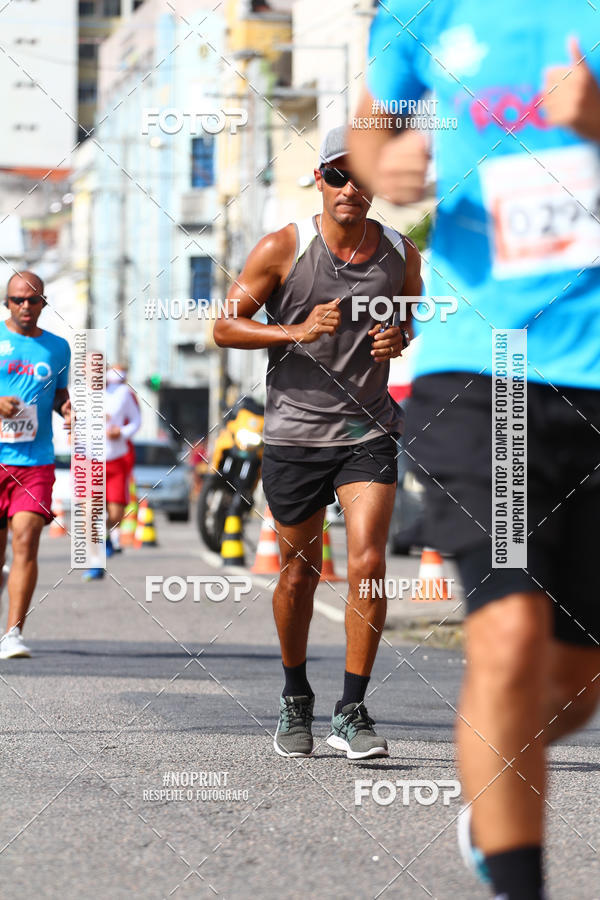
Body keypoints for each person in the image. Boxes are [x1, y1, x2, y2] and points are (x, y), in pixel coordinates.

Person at [350, 5, 600, 898]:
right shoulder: (428, 9)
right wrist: (390, 164)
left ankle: (491, 791)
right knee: (508, 636)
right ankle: (515, 876)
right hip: (477, 371)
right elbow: (370, 135)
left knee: (575, 677)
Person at [214, 126, 421, 759]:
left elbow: (407, 319)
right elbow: (225, 326)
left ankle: (352, 709)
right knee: (299, 573)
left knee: (367, 563)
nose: (349, 188)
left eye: (361, 176)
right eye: (337, 174)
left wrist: (398, 339)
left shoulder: (402, 254)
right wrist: (295, 331)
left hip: (367, 431)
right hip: (296, 433)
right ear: (320, 180)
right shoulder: (284, 246)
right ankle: (295, 696)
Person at [0, 271, 71, 658]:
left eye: (33, 300)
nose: (25, 307)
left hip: (35, 463)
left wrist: (70, 410)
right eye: (16, 300)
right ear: (7, 303)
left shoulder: (58, 348)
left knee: (26, 541)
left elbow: (60, 395)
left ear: (44, 303)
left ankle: (13, 634)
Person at [82, 363, 141, 580]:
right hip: (89, 461)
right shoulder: (76, 394)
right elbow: (65, 418)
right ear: (84, 371)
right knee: (90, 513)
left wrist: (121, 432)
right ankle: (96, 562)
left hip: (115, 460)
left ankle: (105, 536)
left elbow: (136, 421)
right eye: (91, 369)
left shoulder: (122, 393)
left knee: (115, 515)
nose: (96, 373)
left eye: (100, 369)